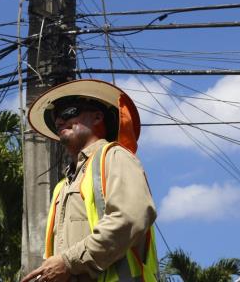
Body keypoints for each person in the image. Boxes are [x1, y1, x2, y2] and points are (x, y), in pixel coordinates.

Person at [21, 80, 160, 282]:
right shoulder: (62, 186)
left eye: (68, 112)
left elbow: (131, 216)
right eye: (55, 118)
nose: (59, 121)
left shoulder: (114, 156)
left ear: (97, 117)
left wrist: (69, 261)